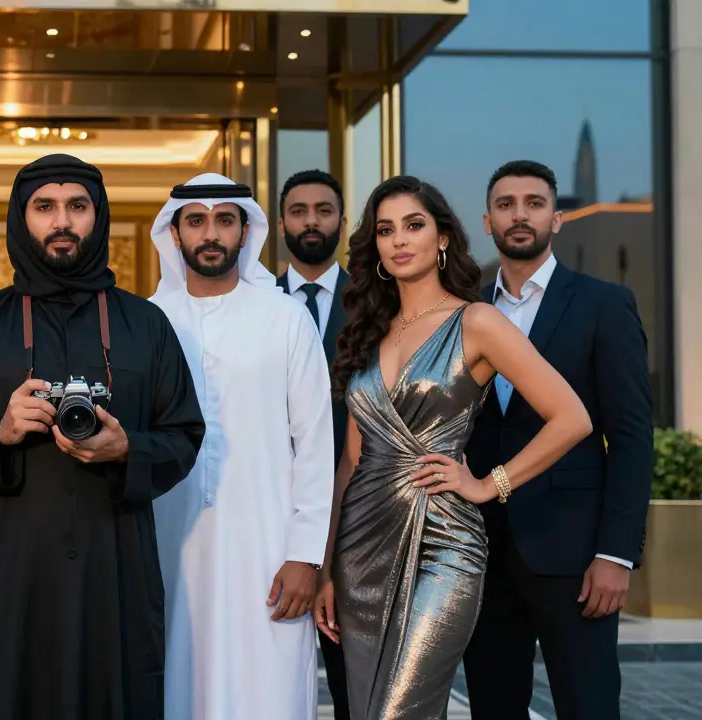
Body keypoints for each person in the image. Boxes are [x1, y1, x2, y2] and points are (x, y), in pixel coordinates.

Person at [0, 152, 206, 720]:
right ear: (21, 219)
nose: (62, 222)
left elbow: (185, 434)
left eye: (78, 206)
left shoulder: (144, 324)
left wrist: (127, 449)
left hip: (113, 569)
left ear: (100, 217)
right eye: (44, 207)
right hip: (8, 572)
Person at [313, 175, 592, 719]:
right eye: (386, 230)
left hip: (444, 545)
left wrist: (490, 484)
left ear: (442, 237)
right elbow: (350, 463)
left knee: (401, 711)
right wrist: (325, 569)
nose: (399, 240)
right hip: (360, 548)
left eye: (414, 226)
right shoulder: (367, 332)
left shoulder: (478, 321)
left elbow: (572, 418)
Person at [462, 160, 654, 720]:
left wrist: (616, 553)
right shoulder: (463, 307)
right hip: (481, 550)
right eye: (505, 205)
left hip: (575, 554)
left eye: (533, 203)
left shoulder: (603, 304)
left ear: (558, 217)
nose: (519, 216)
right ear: (487, 220)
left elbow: (632, 435)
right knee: (493, 708)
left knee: (587, 706)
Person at [148, 173, 335, 720]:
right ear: (175, 233)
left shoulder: (285, 317)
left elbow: (316, 442)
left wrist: (305, 553)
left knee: (268, 689)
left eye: (224, 220)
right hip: (170, 544)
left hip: (269, 549)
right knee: (175, 685)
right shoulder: (149, 320)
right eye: (196, 220)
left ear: (245, 230)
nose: (211, 233)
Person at [273, 169, 352, 719]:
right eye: (298, 211)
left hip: (357, 513)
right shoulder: (253, 302)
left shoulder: (378, 302)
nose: (311, 221)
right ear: (280, 224)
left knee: (355, 679)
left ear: (342, 223)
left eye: (323, 210)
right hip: (274, 514)